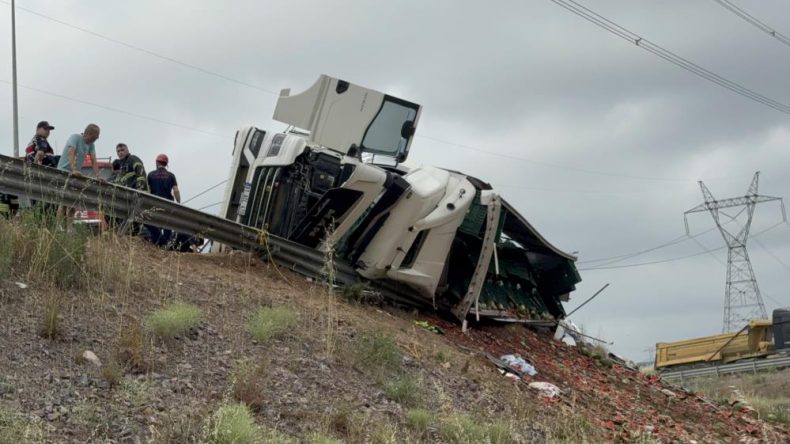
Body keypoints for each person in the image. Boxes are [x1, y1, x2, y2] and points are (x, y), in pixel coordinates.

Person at [56, 124, 104, 221]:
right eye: (95, 137)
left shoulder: (91, 145)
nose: (96, 139)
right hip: (63, 171)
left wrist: (98, 176)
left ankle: (69, 228)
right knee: (63, 202)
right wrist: (73, 169)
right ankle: (59, 226)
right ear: (89, 133)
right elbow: (71, 152)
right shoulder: (75, 137)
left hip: (76, 175)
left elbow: (94, 161)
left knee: (73, 202)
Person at [145, 154, 180, 245]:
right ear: (166, 164)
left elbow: (148, 190)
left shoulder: (151, 174)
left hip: (154, 203)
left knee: (155, 223)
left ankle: (156, 243)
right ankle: (167, 244)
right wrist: (179, 202)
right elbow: (176, 190)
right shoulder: (171, 175)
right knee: (167, 224)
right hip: (168, 204)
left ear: (157, 162)